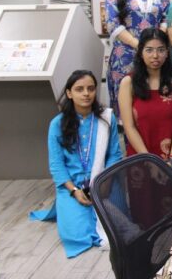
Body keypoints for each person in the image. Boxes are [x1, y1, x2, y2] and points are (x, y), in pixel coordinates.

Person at [30, 70, 122, 258]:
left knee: (120, 228)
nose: (86, 93)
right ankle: (68, 209)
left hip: (104, 182)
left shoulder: (106, 118)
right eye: (79, 89)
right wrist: (73, 190)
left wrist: (104, 184)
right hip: (72, 186)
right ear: (69, 93)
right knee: (76, 236)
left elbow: (114, 155)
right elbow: (57, 165)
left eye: (90, 88)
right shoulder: (57, 124)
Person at [105, 0, 169, 116]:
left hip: (155, 57)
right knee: (127, 112)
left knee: (154, 108)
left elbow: (166, 18)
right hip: (125, 58)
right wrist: (141, 46)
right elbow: (113, 24)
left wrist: (154, 47)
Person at [119, 28, 172, 179]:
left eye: (161, 50)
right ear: (140, 52)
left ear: (167, 52)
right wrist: (149, 160)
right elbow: (129, 127)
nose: (155, 55)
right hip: (140, 159)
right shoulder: (128, 83)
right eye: (149, 50)